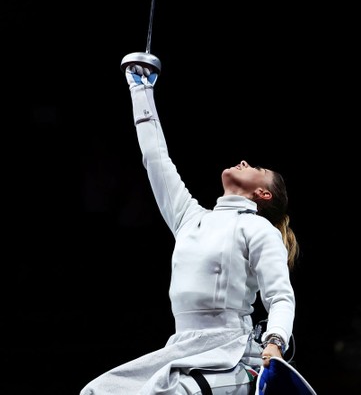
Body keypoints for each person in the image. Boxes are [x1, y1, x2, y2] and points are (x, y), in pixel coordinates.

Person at [79, 59, 301, 395]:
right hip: (182, 349)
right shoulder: (189, 218)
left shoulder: (259, 230)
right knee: (98, 391)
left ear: (263, 194)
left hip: (231, 354)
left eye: (255, 168)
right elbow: (155, 158)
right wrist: (141, 91)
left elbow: (280, 296)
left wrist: (275, 341)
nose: (244, 162)